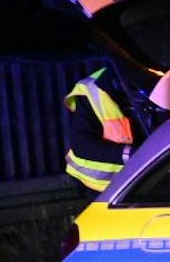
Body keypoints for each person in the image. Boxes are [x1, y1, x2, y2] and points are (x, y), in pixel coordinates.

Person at [62, 64, 149, 195]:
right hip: (105, 187)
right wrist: (130, 154)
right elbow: (83, 145)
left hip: (157, 178)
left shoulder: (165, 80)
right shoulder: (93, 89)